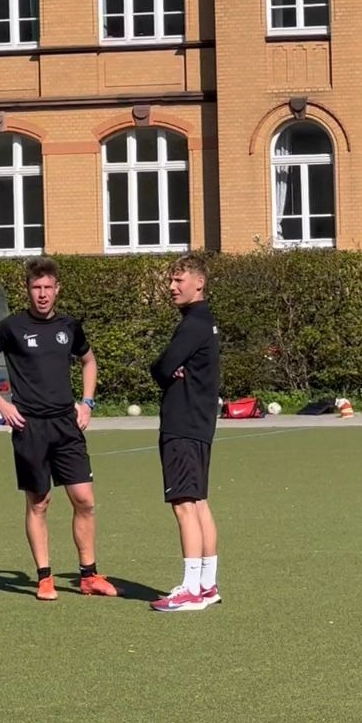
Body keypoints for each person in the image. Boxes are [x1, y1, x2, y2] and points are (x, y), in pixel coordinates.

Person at [0, 256, 117, 601]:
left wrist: (87, 403)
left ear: (57, 289)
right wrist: (3, 404)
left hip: (67, 425)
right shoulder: (11, 327)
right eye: (37, 287)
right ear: (28, 290)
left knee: (85, 500)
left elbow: (89, 361)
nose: (43, 294)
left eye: (48, 287)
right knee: (39, 502)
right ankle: (45, 578)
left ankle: (89, 576)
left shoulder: (69, 326)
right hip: (30, 427)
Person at [149, 253, 222, 613]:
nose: (172, 287)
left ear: (199, 283)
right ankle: (207, 585)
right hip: (199, 425)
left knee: (183, 505)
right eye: (171, 280)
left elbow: (161, 368)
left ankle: (192, 589)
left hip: (182, 426)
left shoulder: (194, 324)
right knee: (199, 502)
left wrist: (167, 369)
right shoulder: (205, 323)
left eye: (179, 280)